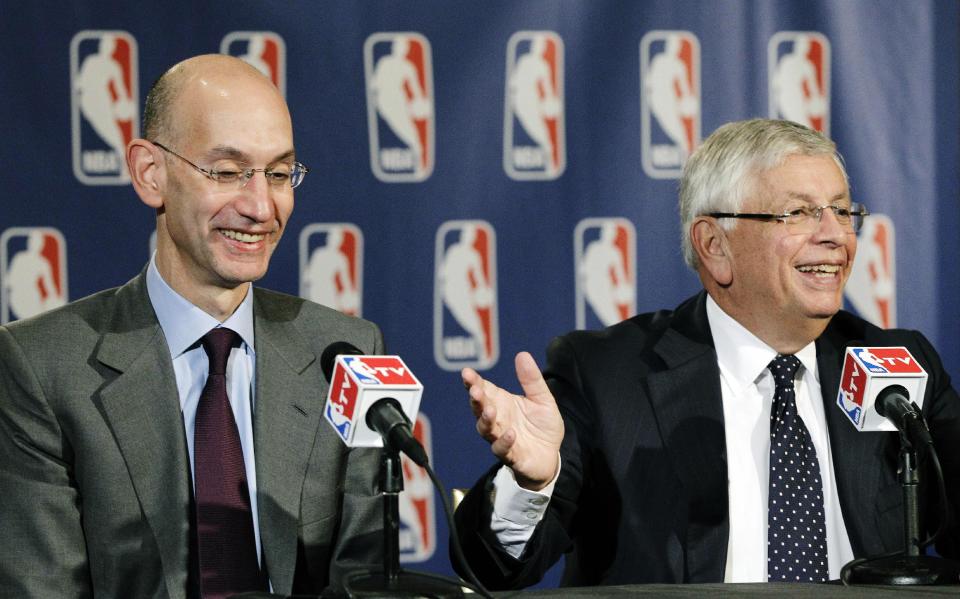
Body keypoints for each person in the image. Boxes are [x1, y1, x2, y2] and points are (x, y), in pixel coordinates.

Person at [455, 118, 960, 588]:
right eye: (800, 212)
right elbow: (494, 571)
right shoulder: (608, 376)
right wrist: (532, 483)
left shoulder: (897, 364)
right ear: (715, 245)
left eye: (843, 210)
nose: (834, 235)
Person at [0, 55, 383, 598]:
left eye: (278, 174)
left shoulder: (346, 352)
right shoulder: (40, 366)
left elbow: (366, 576)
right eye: (227, 173)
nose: (260, 206)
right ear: (150, 173)